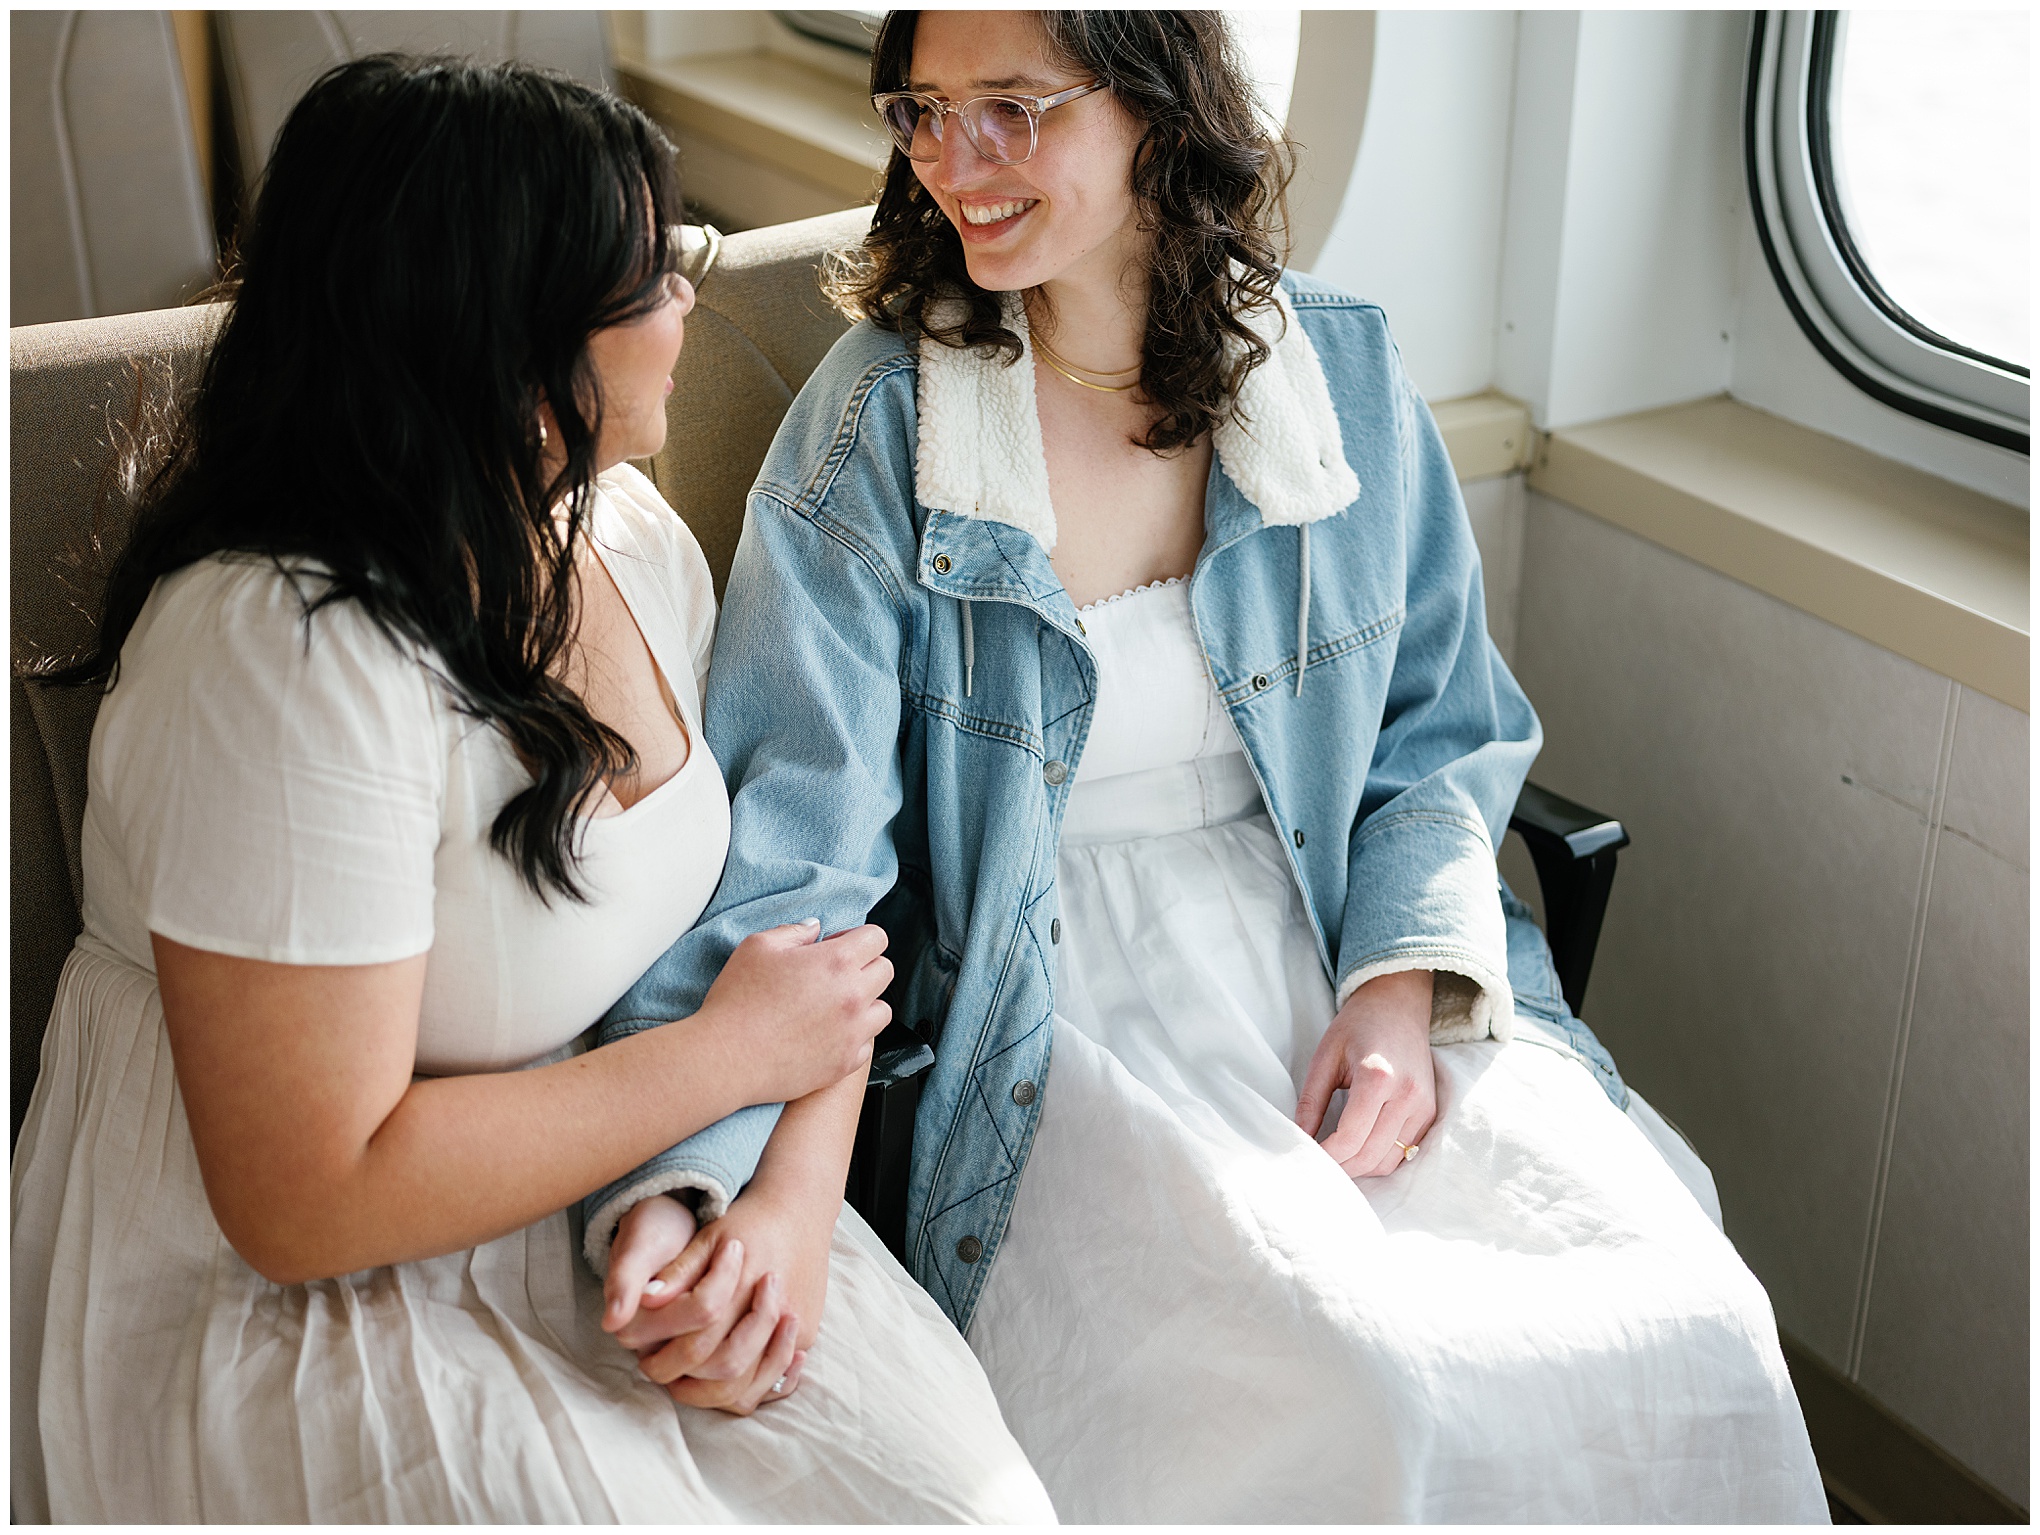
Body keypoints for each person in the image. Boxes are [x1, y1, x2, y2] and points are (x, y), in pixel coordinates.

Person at [588, 8, 1829, 1523]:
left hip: (1334, 941)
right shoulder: (875, 433)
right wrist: (692, 1187)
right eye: (922, 112)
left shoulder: (1343, 379)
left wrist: (1398, 982)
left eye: (1014, 110)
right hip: (1059, 1016)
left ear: (1156, 104)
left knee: (1681, 1316)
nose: (953, 163)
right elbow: (795, 860)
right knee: (1351, 1384)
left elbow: (1440, 739)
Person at [9, 55, 1055, 1524]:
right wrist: (720, 1069)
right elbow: (308, 1199)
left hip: (625, 1173)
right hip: (310, 1282)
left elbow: (792, 951)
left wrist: (775, 1203)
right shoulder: (278, 651)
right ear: (501, 326)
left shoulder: (621, 531)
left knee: (968, 1503)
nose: (690, 294)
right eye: (650, 272)